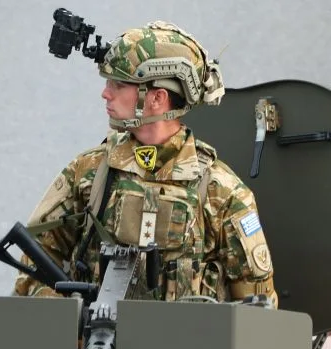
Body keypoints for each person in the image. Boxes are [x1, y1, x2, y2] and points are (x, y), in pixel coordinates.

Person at [14, 20, 278, 308]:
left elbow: (258, 308)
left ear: (157, 98)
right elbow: (35, 261)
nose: (105, 93)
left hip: (186, 338)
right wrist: (69, 319)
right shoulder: (89, 172)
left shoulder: (222, 192)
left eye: (118, 84)